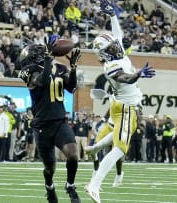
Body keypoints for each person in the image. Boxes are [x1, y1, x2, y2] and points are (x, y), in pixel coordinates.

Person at [85, 1, 155, 202]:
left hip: (123, 106)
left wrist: (112, 15)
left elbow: (118, 34)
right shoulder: (111, 66)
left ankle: (96, 148)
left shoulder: (116, 52)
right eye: (112, 45)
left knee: (124, 133)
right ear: (106, 52)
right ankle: (94, 185)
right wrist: (138, 74)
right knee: (120, 148)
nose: (117, 44)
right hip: (125, 108)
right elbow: (125, 77)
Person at [17, 38, 81, 203]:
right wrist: (46, 60)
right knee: (49, 168)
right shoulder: (28, 71)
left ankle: (70, 185)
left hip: (59, 121)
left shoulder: (60, 68)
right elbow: (43, 81)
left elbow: (72, 88)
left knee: (73, 154)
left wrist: (73, 69)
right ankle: (49, 187)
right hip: (42, 125)